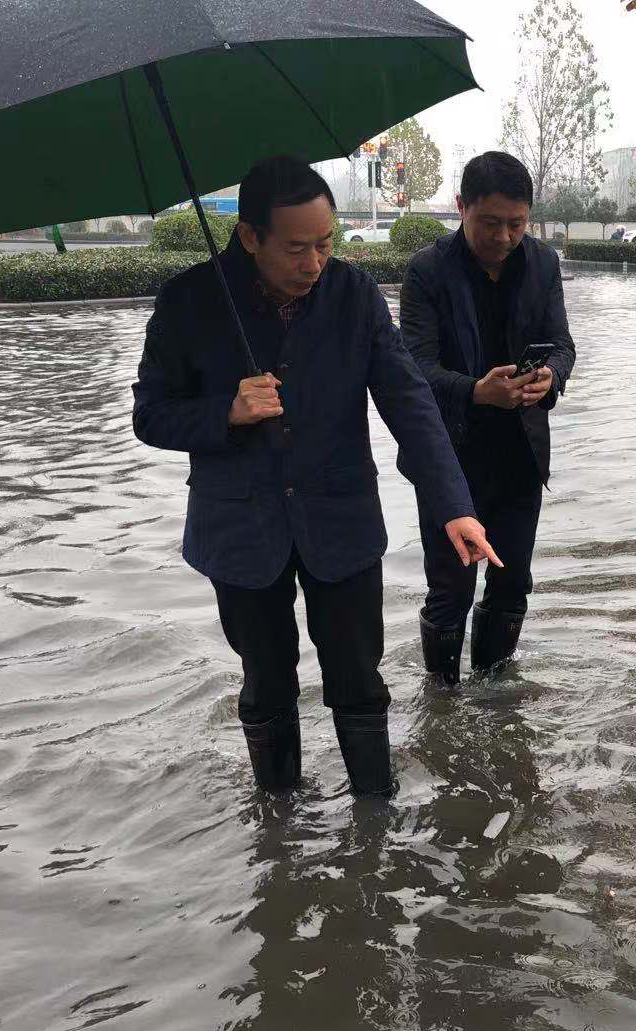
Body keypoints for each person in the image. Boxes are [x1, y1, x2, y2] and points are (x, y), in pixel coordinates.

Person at [133, 155, 498, 796]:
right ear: (250, 237)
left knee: (359, 678)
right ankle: (281, 828)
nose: (313, 264)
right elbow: (150, 416)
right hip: (240, 529)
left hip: (342, 520)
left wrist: (454, 507)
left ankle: (373, 822)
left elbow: (408, 401)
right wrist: (226, 411)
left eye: (325, 243)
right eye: (296, 248)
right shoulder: (190, 300)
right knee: (266, 683)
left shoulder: (352, 294)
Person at [398, 151, 576, 684]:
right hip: (450, 458)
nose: (503, 237)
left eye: (516, 225)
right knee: (450, 588)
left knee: (511, 581)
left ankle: (496, 695)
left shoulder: (542, 263)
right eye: (490, 224)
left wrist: (550, 377)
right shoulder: (427, 271)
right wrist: (477, 391)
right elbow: (413, 372)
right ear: (461, 209)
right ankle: (443, 699)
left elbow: (563, 345)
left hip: (521, 452)